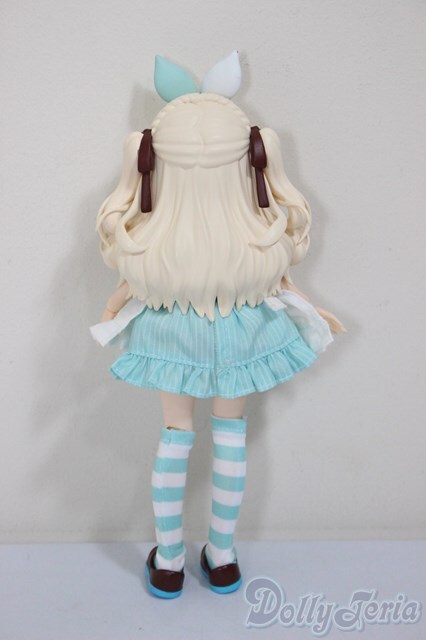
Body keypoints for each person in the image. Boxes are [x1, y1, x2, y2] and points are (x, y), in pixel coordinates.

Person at [91, 55, 345, 599]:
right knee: (231, 435)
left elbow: (126, 287)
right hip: (242, 325)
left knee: (175, 436)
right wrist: (309, 307)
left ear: (155, 162)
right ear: (249, 159)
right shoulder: (255, 249)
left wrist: (110, 313)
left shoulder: (157, 254)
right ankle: (222, 557)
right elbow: (282, 277)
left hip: (171, 328)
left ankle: (169, 562)